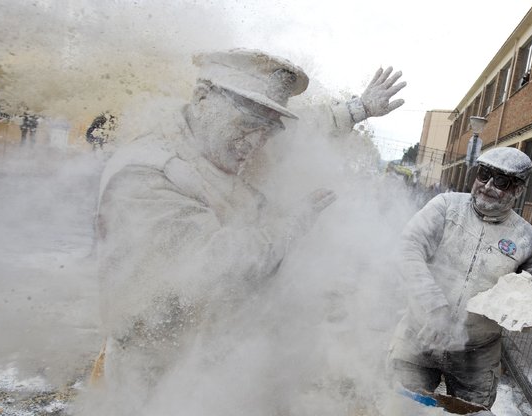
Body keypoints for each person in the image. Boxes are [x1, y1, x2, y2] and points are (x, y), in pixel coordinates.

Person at [93, 49, 405, 400]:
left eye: (266, 131)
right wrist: (293, 226)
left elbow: (301, 130)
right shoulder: (146, 173)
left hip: (217, 356)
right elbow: (217, 265)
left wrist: (357, 109)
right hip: (158, 372)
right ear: (202, 99)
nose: (257, 143)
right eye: (247, 126)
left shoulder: (219, 140)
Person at [387, 146, 532, 409]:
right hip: (419, 338)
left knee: (472, 414)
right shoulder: (445, 207)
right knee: (398, 408)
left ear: (518, 189)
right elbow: (408, 248)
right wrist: (434, 304)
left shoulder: (526, 238)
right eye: (484, 175)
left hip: (477, 355)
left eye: (502, 181)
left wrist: (518, 308)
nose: (488, 186)